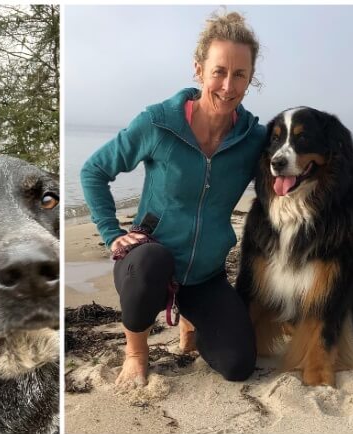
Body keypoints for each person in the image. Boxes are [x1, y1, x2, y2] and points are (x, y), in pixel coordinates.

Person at [80, 11, 266, 388]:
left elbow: (285, 180)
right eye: (219, 71)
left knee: (238, 365)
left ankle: (189, 320)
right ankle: (136, 352)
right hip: (147, 263)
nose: (228, 86)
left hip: (204, 274)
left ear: (250, 79)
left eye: (240, 75)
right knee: (153, 260)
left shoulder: (254, 140)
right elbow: (94, 170)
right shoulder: (158, 123)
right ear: (199, 70)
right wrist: (110, 231)